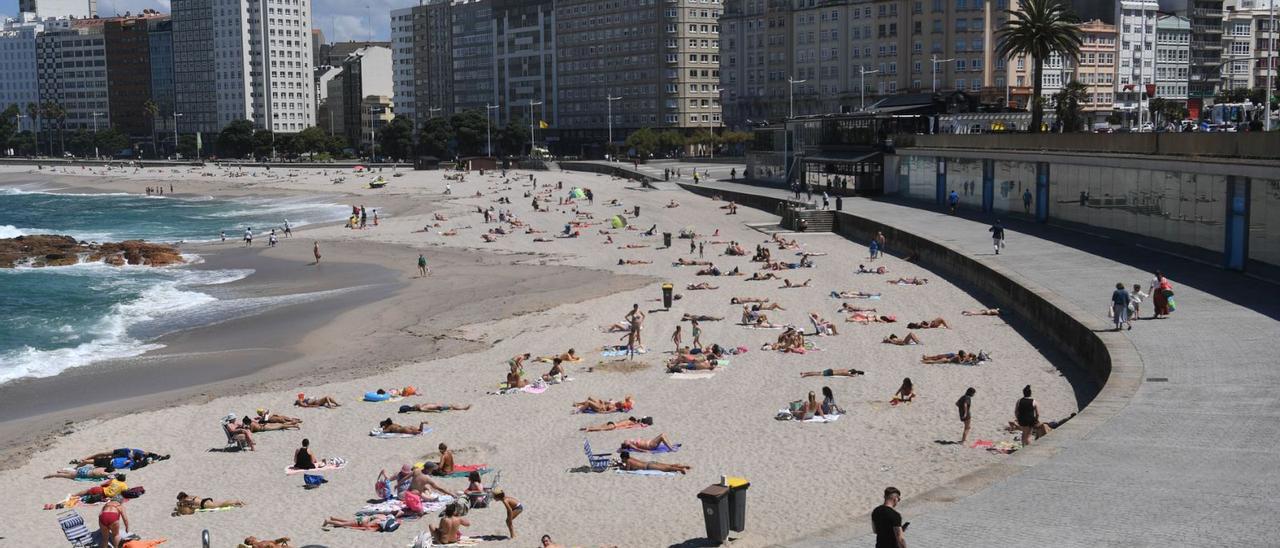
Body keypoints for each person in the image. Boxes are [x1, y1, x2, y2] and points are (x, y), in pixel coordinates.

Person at [618, 450, 690, 474]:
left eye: (622, 458)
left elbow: (628, 469)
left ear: (624, 458)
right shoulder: (630, 458)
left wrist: (621, 467)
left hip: (648, 467)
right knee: (668, 465)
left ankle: (680, 469)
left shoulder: (628, 461)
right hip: (649, 463)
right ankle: (682, 466)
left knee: (666, 469)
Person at [175, 492, 245, 515]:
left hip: (205, 504)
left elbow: (189, 503)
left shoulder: (188, 499)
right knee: (221, 503)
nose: (181, 500)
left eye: (180, 499)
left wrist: (182, 504)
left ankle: (236, 502)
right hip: (205, 501)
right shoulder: (190, 496)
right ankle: (237, 503)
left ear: (183, 497)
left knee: (221, 504)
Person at [400, 402, 472, 413]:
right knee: (452, 406)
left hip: (438, 405)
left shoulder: (417, 406)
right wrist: (438, 409)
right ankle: (464, 408)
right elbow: (431, 410)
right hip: (439, 407)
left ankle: (463, 408)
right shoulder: (422, 408)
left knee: (452, 405)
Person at [799, 367, 864, 377]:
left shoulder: (846, 369)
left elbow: (851, 373)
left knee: (817, 372)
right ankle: (805, 374)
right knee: (816, 374)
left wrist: (857, 372)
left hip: (831, 370)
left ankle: (805, 372)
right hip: (830, 373)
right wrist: (857, 374)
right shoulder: (846, 373)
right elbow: (852, 376)